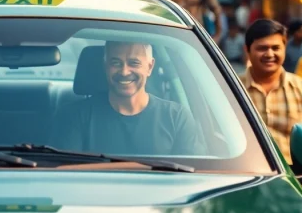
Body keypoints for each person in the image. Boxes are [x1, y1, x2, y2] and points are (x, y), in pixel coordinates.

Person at [51, 41, 206, 156]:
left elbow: (192, 178)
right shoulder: (74, 116)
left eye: (134, 63)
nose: (124, 71)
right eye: (116, 63)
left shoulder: (176, 117)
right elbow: (69, 177)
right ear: (105, 66)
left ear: (150, 67)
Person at [241, 19, 302, 198]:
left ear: (285, 48)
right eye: (262, 48)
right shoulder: (230, 88)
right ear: (247, 50)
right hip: (241, 184)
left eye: (276, 48)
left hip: (297, 186)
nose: (269, 54)